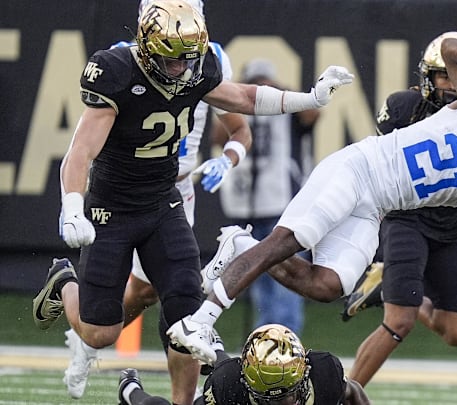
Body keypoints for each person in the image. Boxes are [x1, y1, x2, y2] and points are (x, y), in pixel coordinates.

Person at [167, 35, 457, 366]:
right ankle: (200, 321)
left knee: (327, 285)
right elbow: (450, 48)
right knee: (292, 237)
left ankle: (239, 245)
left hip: (379, 208)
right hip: (360, 168)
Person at [30, 1, 353, 404]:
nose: (181, 68)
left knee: (187, 317)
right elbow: (81, 151)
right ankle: (65, 283)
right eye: (171, 59)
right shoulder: (114, 69)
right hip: (111, 207)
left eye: (188, 58)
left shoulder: (199, 66)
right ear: (147, 47)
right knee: (101, 332)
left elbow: (244, 99)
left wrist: (309, 99)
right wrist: (73, 205)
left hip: (164, 201)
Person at [59, 0, 252, 399]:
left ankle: (181, 397)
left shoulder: (211, 59)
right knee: (143, 298)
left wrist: (228, 160)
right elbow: (85, 145)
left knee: (176, 298)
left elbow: (240, 129)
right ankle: (87, 329)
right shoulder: (121, 62)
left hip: (176, 191)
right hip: (124, 192)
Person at [338, 31, 457, 387]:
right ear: (427, 77)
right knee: (398, 323)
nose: (451, 85)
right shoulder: (404, 108)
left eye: (456, 76)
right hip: (408, 219)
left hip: (451, 226)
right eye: (443, 76)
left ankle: (385, 283)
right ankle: (345, 395)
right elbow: (380, 165)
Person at [215, 58, 319, 334]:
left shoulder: (288, 108)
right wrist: (237, 100)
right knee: (258, 275)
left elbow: (312, 114)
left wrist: (281, 94)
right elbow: (216, 135)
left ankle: (286, 337)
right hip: (249, 207)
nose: (260, 86)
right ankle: (264, 340)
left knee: (289, 277)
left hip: (284, 207)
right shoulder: (238, 107)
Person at [118, 323, 370, 405]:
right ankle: (130, 390)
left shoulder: (324, 374)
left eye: (288, 395)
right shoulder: (229, 387)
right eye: (270, 401)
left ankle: (216, 349)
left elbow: (354, 391)